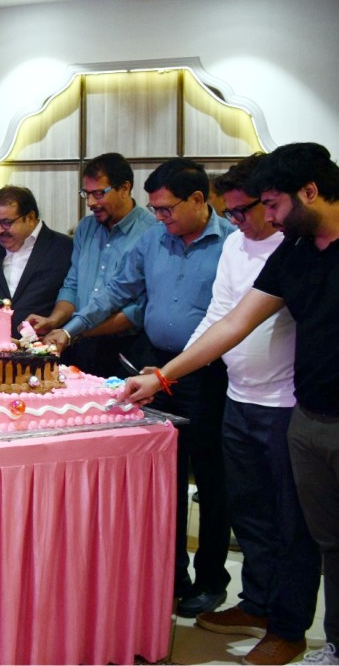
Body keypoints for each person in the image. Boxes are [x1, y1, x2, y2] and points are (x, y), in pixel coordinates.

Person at [120, 143, 339, 665]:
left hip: (292, 405)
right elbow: (234, 320)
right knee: (301, 529)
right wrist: (164, 375)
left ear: (309, 192)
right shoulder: (297, 250)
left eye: (273, 204)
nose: (270, 218)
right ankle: (293, 625)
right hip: (302, 412)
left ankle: (298, 627)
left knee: (304, 531)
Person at [48, 157, 236, 619]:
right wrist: (69, 331)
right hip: (156, 368)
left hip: (209, 375)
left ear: (198, 199)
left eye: (167, 209)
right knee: (166, 478)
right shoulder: (154, 240)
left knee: (211, 480)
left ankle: (211, 579)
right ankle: (172, 576)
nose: (159, 217)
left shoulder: (232, 243)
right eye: (155, 209)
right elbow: (114, 291)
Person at [167, 154, 317, 665]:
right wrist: (174, 369)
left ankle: (288, 624)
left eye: (246, 210)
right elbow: (219, 314)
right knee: (248, 512)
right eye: (228, 212)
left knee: (289, 522)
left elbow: (248, 321)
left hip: (286, 403)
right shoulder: (235, 243)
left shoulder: (295, 245)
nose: (238, 222)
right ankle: (257, 602)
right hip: (238, 395)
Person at [25, 153, 156, 377]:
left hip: (125, 347)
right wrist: (54, 321)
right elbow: (72, 284)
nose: (91, 203)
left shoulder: (151, 232)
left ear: (125, 188)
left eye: (99, 193)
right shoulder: (86, 227)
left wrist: (75, 330)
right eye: (87, 194)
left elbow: (137, 310)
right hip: (80, 343)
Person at [0, 185, 72, 337]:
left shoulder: (64, 248)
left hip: (46, 346)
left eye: (6, 222)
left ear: (30, 218)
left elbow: (73, 297)